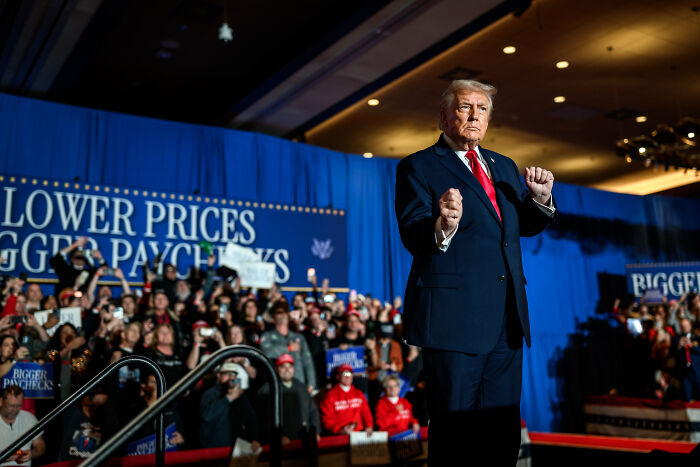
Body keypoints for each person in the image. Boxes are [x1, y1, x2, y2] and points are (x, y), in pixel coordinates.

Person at [395, 79, 555, 465]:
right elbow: (413, 231)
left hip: (506, 321)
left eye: (482, 109)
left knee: (501, 434)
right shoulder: (418, 165)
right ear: (444, 117)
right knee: (456, 437)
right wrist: (443, 225)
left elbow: (520, 226)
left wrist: (541, 199)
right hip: (454, 323)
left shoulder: (503, 165)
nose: (474, 116)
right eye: (465, 107)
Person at [256, 354, 321, 444]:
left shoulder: (301, 387)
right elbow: (262, 420)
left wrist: (315, 432)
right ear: (276, 369)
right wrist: (278, 437)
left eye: (290, 366)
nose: (287, 370)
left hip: (304, 441)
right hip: (280, 446)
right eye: (283, 366)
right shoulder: (267, 390)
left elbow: (313, 411)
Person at [199, 362, 259, 450]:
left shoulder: (241, 396)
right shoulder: (209, 394)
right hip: (215, 449)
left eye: (234, 374)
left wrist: (254, 439)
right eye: (227, 374)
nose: (231, 377)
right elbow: (206, 415)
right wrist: (228, 398)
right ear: (219, 375)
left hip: (238, 448)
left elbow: (251, 419)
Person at [260, 303, 317, 393]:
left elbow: (307, 361)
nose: (283, 314)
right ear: (272, 318)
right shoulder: (267, 336)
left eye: (285, 312)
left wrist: (311, 384)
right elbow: (266, 352)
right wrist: (288, 348)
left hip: (299, 383)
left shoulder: (298, 337)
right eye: (279, 312)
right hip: (277, 386)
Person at [319, 364, 373, 436]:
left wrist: (369, 426)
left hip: (359, 435)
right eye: (344, 373)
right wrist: (340, 430)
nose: (347, 376)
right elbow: (326, 420)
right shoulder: (330, 396)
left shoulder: (359, 394)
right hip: (339, 436)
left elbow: (367, 414)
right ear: (338, 376)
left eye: (350, 373)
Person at [0, 386, 45, 466]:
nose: (14, 410)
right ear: (1, 401)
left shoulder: (29, 418)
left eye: (18, 406)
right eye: (11, 405)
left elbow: (40, 446)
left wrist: (32, 453)